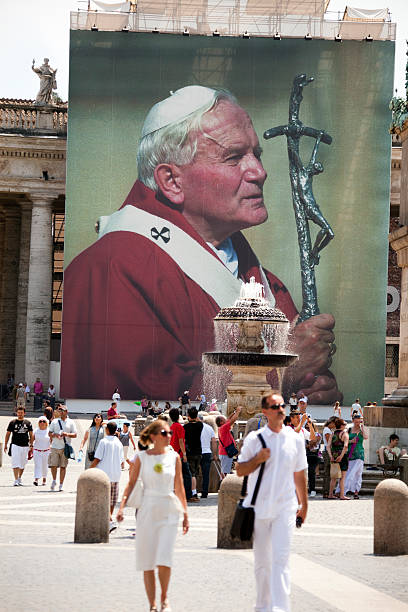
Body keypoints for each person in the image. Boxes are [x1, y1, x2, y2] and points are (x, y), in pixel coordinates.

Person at [60, 86, 342, 405]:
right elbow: (141, 407)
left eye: (257, 155)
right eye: (234, 157)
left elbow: (303, 379)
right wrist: (283, 372)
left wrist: (314, 390)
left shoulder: (266, 283)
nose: (260, 173)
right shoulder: (113, 269)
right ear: (172, 181)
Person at [236, 393, 307, 612]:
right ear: (265, 411)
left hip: (285, 507)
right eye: (275, 407)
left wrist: (304, 504)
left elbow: (299, 473)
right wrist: (257, 459)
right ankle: (263, 606)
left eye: (282, 406)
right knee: (262, 562)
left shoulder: (295, 439)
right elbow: (239, 470)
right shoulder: (254, 439)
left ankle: (279, 608)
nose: (280, 409)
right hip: (258, 507)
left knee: (281, 558)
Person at [116, 420, 188, 612]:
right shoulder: (141, 457)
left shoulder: (175, 458)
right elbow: (131, 484)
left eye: (169, 434)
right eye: (165, 433)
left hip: (169, 509)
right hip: (147, 509)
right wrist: (122, 507)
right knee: (147, 560)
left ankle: (164, 598)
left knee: (164, 557)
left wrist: (186, 513)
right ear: (154, 436)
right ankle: (152, 604)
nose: (169, 437)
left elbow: (180, 486)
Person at [91, 421, 124, 532]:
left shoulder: (103, 442)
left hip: (103, 475)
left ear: (107, 430)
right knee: (112, 501)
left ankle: (109, 521)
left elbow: (97, 459)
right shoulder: (119, 443)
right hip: (116, 475)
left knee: (103, 499)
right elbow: (122, 461)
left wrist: (89, 470)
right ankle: (108, 520)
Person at [337, 413, 367, 499]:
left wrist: (363, 428)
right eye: (356, 422)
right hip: (350, 454)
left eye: (359, 422)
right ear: (353, 421)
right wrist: (351, 441)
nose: (358, 423)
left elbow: (366, 437)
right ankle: (342, 491)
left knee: (357, 473)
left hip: (359, 454)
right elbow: (343, 440)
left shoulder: (361, 430)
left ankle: (356, 491)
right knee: (348, 473)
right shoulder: (349, 430)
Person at [48, 405, 77, 491]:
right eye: (60, 410)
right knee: (53, 465)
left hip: (65, 446)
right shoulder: (55, 421)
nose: (61, 412)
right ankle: (54, 480)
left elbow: (75, 434)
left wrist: (66, 434)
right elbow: (49, 433)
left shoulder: (71, 422)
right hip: (54, 446)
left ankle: (61, 484)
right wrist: (55, 435)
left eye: (63, 410)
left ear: (66, 412)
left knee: (63, 466)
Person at [169, 407, 194, 503]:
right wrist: (184, 454)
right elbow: (181, 441)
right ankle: (188, 495)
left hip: (172, 454)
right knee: (187, 475)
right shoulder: (179, 427)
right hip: (179, 454)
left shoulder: (171, 427)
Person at [4, 407, 34, 486]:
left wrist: (31, 444)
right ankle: (16, 479)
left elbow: (31, 434)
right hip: (15, 445)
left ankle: (20, 477)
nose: (20, 414)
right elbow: (8, 434)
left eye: (21, 412)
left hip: (25, 445)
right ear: (16, 413)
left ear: (24, 413)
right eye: (18, 412)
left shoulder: (28, 423)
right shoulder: (12, 422)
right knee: (15, 462)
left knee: (23, 463)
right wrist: (6, 444)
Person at [183, 406, 203, 500]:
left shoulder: (186, 427)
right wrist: (194, 416)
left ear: (188, 416)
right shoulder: (200, 426)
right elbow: (199, 421)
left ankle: (193, 493)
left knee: (191, 474)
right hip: (198, 451)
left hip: (189, 452)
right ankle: (194, 492)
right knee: (194, 473)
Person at [216, 406, 242, 477]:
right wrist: (238, 412)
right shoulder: (223, 427)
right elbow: (232, 420)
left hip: (225, 452)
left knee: (225, 470)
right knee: (224, 471)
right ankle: (222, 484)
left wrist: (234, 412)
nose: (225, 419)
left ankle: (223, 483)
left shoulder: (222, 427)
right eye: (223, 419)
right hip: (225, 453)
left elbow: (229, 419)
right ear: (221, 422)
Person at [327, 418, 349, 500]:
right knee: (342, 477)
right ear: (342, 425)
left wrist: (331, 456)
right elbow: (345, 446)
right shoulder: (344, 434)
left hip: (334, 456)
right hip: (342, 457)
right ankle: (342, 495)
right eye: (344, 424)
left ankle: (330, 494)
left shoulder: (332, 434)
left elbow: (328, 446)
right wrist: (341, 456)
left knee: (333, 477)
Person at [198, 414, 217, 498]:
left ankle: (193, 491)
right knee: (206, 474)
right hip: (207, 452)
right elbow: (213, 441)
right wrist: (214, 454)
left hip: (196, 452)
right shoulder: (209, 428)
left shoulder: (193, 427)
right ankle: (204, 492)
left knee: (194, 473)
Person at [32, 416, 51, 486]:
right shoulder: (36, 431)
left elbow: (51, 441)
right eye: (40, 421)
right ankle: (36, 479)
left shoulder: (49, 431)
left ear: (46, 423)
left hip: (46, 451)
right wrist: (30, 447)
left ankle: (44, 479)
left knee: (45, 466)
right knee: (37, 465)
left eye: (44, 421)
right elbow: (32, 440)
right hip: (37, 451)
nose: (42, 423)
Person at [305, 420, 321, 497]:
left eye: (309, 427)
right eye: (306, 427)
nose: (307, 429)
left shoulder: (317, 434)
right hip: (305, 455)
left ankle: (312, 489)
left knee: (311, 473)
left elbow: (313, 441)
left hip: (313, 456)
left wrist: (308, 444)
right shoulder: (304, 434)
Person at [322, 416, 336, 499]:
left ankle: (327, 491)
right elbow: (329, 442)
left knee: (328, 473)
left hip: (328, 452)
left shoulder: (328, 430)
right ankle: (326, 491)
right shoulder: (327, 430)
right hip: (328, 452)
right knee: (328, 473)